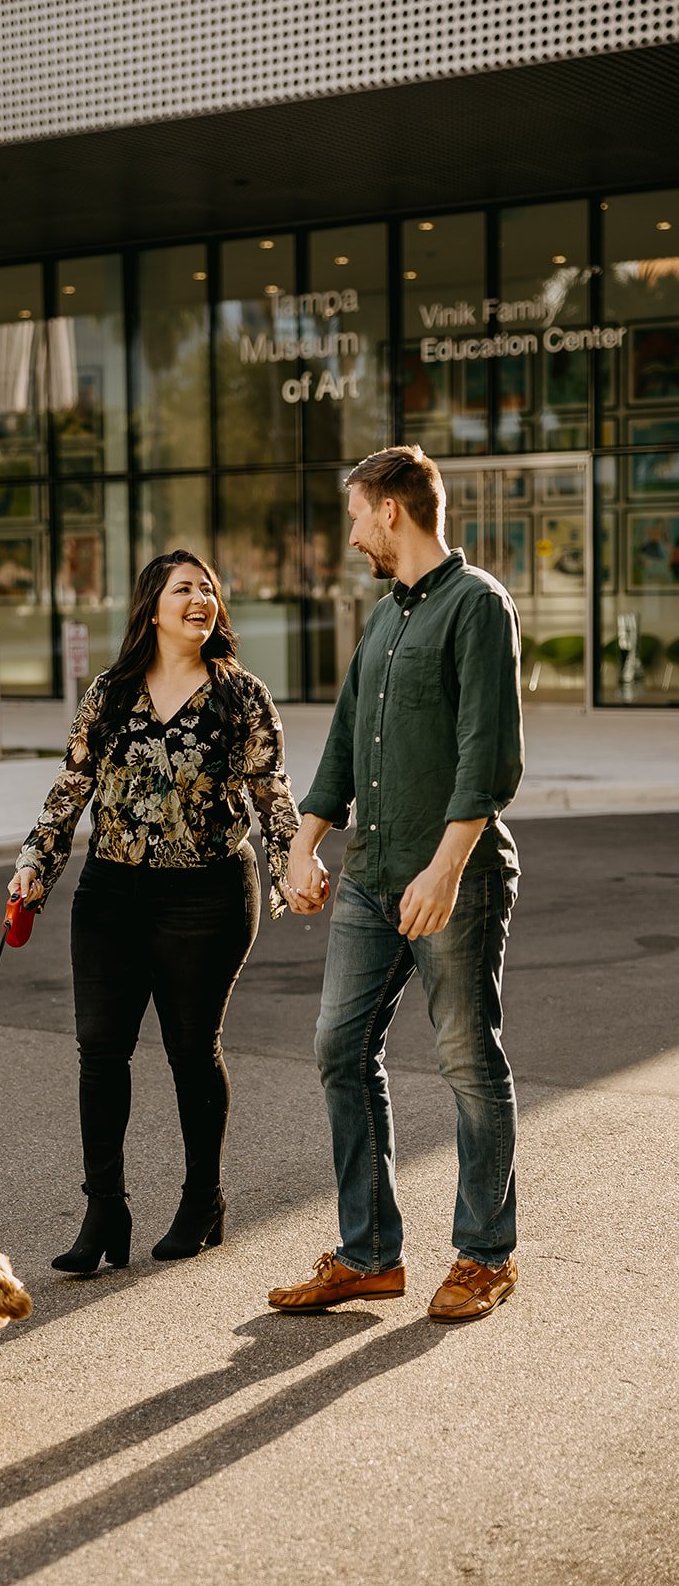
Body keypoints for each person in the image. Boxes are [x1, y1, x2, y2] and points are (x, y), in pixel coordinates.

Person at [267, 445, 524, 1325]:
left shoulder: (477, 605)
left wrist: (446, 869)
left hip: (452, 879)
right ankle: (369, 1253)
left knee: (465, 1060)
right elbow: (342, 742)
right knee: (339, 1049)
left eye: (353, 514)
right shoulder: (381, 620)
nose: (348, 533)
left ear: (389, 511)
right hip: (369, 879)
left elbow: (486, 758)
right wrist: (303, 847)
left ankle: (484, 1256)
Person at [10, 549, 300, 1273]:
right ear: (152, 606)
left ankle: (203, 1199)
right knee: (100, 1051)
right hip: (110, 893)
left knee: (189, 1049)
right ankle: (103, 1207)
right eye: (183, 589)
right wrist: (33, 865)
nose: (200, 598)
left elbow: (271, 793)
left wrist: (295, 858)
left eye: (208, 589)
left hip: (205, 894)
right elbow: (70, 787)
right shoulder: (109, 693)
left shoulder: (240, 695)